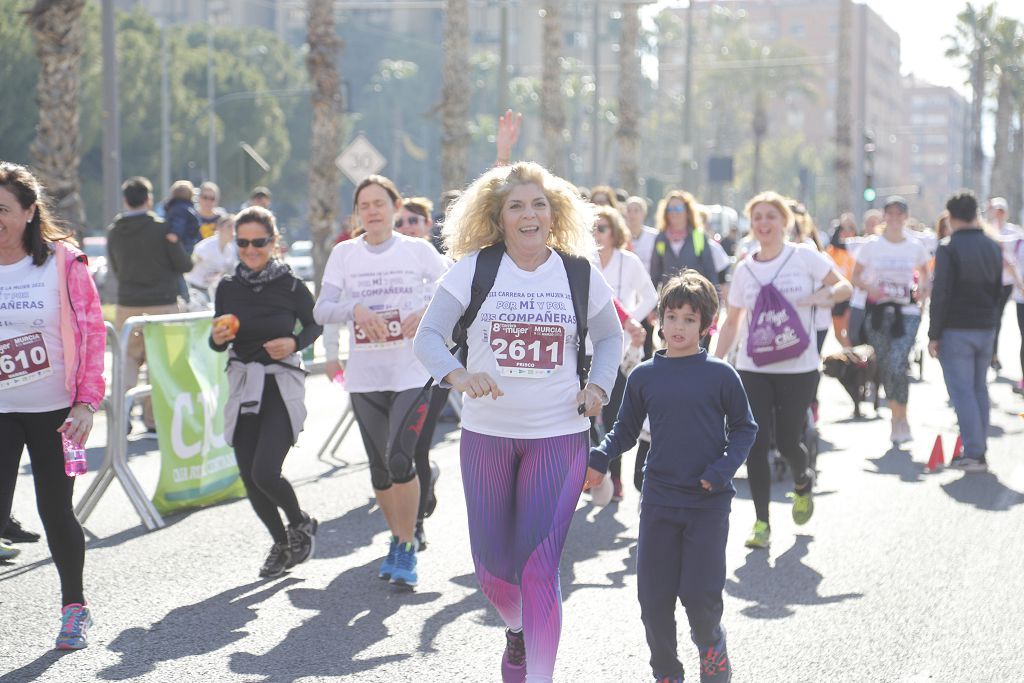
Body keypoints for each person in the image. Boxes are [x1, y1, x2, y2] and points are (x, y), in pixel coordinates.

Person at [413, 160, 623, 682]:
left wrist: (598, 386)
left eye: (539, 204)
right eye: (517, 206)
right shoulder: (475, 269)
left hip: (559, 434)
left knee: (539, 566)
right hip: (488, 435)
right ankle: (517, 631)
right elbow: (428, 338)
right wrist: (458, 376)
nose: (529, 215)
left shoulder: (577, 271)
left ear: (554, 215)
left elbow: (612, 337)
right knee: (493, 576)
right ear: (498, 216)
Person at [590, 271, 756, 683]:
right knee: (653, 598)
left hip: (707, 501)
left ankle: (711, 647)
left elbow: (744, 428)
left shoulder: (720, 375)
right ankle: (666, 671)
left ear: (705, 326)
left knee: (699, 596)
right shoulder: (645, 374)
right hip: (660, 499)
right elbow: (625, 430)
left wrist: (721, 470)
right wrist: (599, 456)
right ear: (659, 320)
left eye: (689, 319)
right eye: (672, 316)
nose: (678, 326)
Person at [314, 175, 449, 588]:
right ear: (357, 214)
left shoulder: (417, 250)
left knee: (400, 459)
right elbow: (322, 309)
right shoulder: (344, 255)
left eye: (379, 203)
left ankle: (407, 545)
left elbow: (453, 289)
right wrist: (355, 310)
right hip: (366, 376)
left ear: (394, 207)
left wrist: (425, 309)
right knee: (378, 470)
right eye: (364, 205)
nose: (372, 211)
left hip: (411, 371)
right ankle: (396, 538)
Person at [0, 161, 106, 649]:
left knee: (54, 511)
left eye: (2, 209)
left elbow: (91, 332)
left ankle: (74, 608)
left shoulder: (63, 263)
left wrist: (86, 402)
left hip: (53, 411)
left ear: (27, 212)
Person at [714, 191, 851, 549]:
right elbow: (732, 321)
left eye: (770, 216)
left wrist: (823, 297)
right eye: (757, 217)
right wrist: (713, 363)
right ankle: (762, 523)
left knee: (790, 440)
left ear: (784, 222)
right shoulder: (744, 269)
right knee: (756, 443)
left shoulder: (803, 256)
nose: (763, 223)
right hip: (753, 366)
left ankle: (802, 481)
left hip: (798, 366)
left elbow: (844, 286)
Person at [210, 206, 322, 578]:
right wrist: (216, 338)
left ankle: (299, 521)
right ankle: (281, 542)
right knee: (249, 475)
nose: (250, 249)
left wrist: (293, 342)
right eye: (242, 242)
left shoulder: (290, 285)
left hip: (280, 383)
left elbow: (314, 325)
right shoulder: (227, 287)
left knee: (265, 471)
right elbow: (218, 341)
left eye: (259, 242)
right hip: (244, 383)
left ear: (274, 243)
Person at [107, 176, 193, 436]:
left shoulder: (115, 231)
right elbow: (184, 265)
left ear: (125, 200)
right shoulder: (162, 228)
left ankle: (121, 416)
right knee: (160, 363)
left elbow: (115, 266)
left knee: (128, 360)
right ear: (149, 199)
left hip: (128, 304)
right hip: (163, 304)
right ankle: (153, 419)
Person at [928, 191, 1004, 472]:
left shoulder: (949, 247)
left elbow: (941, 293)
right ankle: (978, 448)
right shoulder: (993, 246)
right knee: (978, 388)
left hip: (956, 329)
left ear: (950, 217)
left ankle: (974, 452)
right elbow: (999, 291)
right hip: (985, 327)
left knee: (963, 392)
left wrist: (933, 334)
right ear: (975, 214)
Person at [391, 194, 450, 549]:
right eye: (401, 222)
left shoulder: (444, 266)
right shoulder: (384, 264)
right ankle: (417, 496)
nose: (407, 227)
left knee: (417, 447)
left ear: (429, 226)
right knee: (393, 451)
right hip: (391, 371)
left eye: (414, 220)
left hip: (432, 372)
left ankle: (415, 526)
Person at [850, 196, 931, 444]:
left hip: (906, 313)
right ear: (884, 217)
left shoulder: (915, 246)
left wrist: (922, 293)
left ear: (905, 217)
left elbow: (926, 277)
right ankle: (895, 418)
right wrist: (870, 289)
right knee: (886, 366)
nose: (895, 219)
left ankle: (901, 418)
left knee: (898, 363)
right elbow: (855, 277)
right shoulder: (872, 245)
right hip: (877, 312)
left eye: (900, 214)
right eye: (890, 214)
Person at [592, 205, 657, 500]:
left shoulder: (628, 261)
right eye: (593, 227)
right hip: (584, 350)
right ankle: (592, 468)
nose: (596, 233)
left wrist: (630, 319)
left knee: (614, 414)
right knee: (583, 416)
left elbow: (651, 295)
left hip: (618, 351)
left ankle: (614, 477)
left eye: (602, 228)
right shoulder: (585, 262)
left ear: (615, 232)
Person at [650, 190, 720, 292]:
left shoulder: (699, 237)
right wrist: (653, 305)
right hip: (670, 302)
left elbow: (710, 272)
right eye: (670, 209)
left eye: (678, 208)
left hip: (695, 300)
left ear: (687, 212)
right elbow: (655, 274)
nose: (674, 213)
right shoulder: (661, 239)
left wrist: (715, 300)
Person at [986, 197, 1023, 372]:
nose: (998, 214)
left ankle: (992, 355)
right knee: (991, 319)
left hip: (1007, 282)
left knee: (997, 317)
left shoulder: (1014, 233)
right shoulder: (986, 231)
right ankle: (991, 354)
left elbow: (1017, 258)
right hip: (988, 282)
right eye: (995, 210)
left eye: (1001, 211)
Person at [185, 213, 236, 307]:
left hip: (208, 289)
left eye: (234, 226)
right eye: (229, 226)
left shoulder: (230, 250)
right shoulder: (206, 247)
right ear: (219, 228)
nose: (233, 230)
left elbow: (230, 273)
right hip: (192, 287)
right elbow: (188, 266)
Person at [163, 180, 202, 255]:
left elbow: (178, 222)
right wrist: (175, 233)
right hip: (187, 247)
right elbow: (179, 222)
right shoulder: (185, 209)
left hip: (183, 247)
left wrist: (175, 234)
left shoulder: (175, 208)